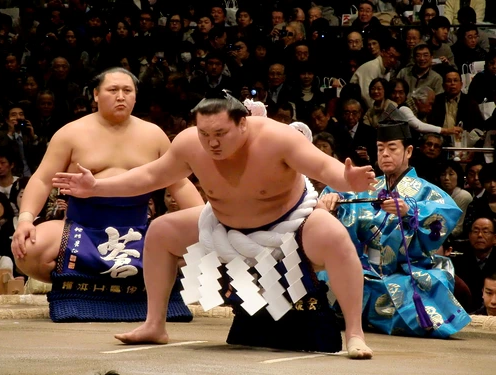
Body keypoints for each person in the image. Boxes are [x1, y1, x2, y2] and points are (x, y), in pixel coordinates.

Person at [52, 92, 377, 359]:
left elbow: (323, 166)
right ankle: (155, 324)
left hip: (290, 224)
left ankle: (354, 333)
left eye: (220, 134)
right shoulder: (190, 144)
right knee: (163, 231)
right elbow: (151, 176)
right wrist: (96, 187)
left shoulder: (279, 139)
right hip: (223, 225)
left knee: (335, 237)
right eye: (205, 134)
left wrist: (346, 180)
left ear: (244, 124)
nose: (212, 143)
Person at [11, 67, 203, 322]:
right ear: (95, 95)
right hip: (82, 227)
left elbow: (179, 185)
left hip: (138, 229)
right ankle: (81, 282)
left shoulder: (153, 134)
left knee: (197, 245)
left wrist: (203, 225)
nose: (121, 96)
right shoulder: (71, 133)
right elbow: (43, 178)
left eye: (127, 91)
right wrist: (25, 219)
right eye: (113, 90)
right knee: (29, 248)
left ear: (136, 97)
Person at [319, 122, 471, 338]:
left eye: (392, 148)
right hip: (363, 268)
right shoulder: (366, 186)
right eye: (380, 149)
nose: (385, 154)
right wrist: (334, 202)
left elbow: (445, 215)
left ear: (408, 151)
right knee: (326, 273)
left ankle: (360, 314)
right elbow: (343, 201)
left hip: (404, 271)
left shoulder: (428, 191)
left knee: (408, 288)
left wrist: (410, 211)